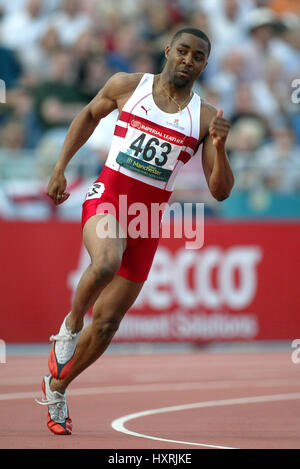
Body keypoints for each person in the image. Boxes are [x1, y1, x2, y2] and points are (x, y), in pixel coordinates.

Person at [36, 27, 234, 435]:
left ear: (204, 65)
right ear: (168, 50)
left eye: (197, 56)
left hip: (148, 220)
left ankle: (57, 388)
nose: (187, 60)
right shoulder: (128, 85)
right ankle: (70, 327)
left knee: (108, 325)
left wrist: (220, 147)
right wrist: (60, 168)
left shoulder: (207, 118)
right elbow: (88, 116)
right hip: (108, 195)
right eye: (182, 51)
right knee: (105, 261)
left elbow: (219, 192)